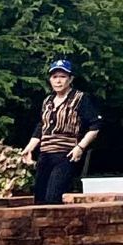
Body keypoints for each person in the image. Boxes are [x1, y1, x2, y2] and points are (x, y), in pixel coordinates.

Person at [20, 57, 102, 205]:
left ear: (70, 79)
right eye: (54, 77)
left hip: (66, 154)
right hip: (45, 154)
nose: (58, 81)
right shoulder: (48, 101)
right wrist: (29, 148)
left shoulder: (80, 98)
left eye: (62, 77)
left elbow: (95, 126)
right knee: (39, 198)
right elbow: (42, 126)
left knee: (54, 197)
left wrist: (80, 147)